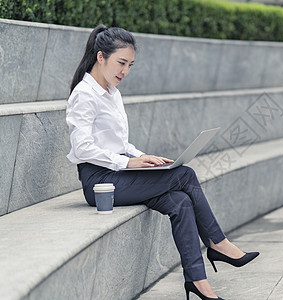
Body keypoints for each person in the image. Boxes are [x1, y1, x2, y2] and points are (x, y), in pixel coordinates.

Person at [66, 25, 259, 300]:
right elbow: (82, 148)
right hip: (101, 183)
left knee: (180, 202)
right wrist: (128, 163)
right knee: (186, 175)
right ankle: (218, 243)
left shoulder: (111, 92)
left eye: (130, 65)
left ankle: (198, 283)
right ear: (100, 57)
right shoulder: (84, 95)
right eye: (121, 63)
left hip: (119, 174)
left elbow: (119, 144)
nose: (126, 71)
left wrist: (141, 156)